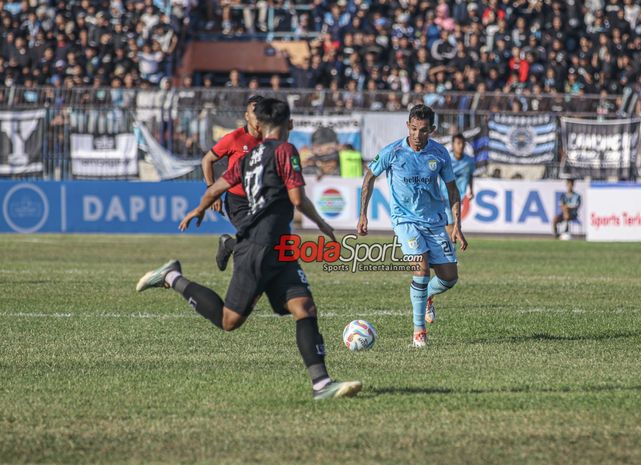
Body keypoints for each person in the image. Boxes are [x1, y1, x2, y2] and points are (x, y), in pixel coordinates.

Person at [136, 98, 362, 400]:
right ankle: (171, 278)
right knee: (229, 321)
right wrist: (321, 223)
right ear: (286, 124)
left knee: (304, 308)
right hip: (258, 246)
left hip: (278, 246)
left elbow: (217, 187)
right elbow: (297, 199)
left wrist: (199, 209)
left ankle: (322, 384)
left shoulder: (249, 156)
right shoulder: (285, 150)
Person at [356, 104, 468, 348]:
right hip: (404, 220)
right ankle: (419, 331)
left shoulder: (439, 154)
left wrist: (456, 225)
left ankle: (427, 295)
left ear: (433, 130)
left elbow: (452, 189)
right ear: (408, 126)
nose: (418, 135)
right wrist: (362, 214)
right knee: (421, 267)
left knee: (449, 278)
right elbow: (369, 177)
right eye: (414, 129)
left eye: (424, 130)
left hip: (435, 221)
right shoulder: (393, 152)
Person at [200, 95, 263, 271]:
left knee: (264, 242)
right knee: (253, 241)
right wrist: (213, 191)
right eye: (254, 112)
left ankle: (229, 244)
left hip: (260, 199)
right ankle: (240, 277)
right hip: (238, 200)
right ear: (246, 116)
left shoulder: (269, 139)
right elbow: (207, 160)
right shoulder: (234, 138)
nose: (258, 116)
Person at [441, 133, 476, 237]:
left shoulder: (469, 161)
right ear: (453, 145)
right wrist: (437, 192)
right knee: (451, 224)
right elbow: (438, 175)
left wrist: (471, 189)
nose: (461, 146)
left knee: (457, 224)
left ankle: (449, 249)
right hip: (445, 196)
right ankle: (450, 251)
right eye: (458, 143)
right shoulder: (447, 159)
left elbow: (470, 175)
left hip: (458, 197)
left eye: (462, 143)